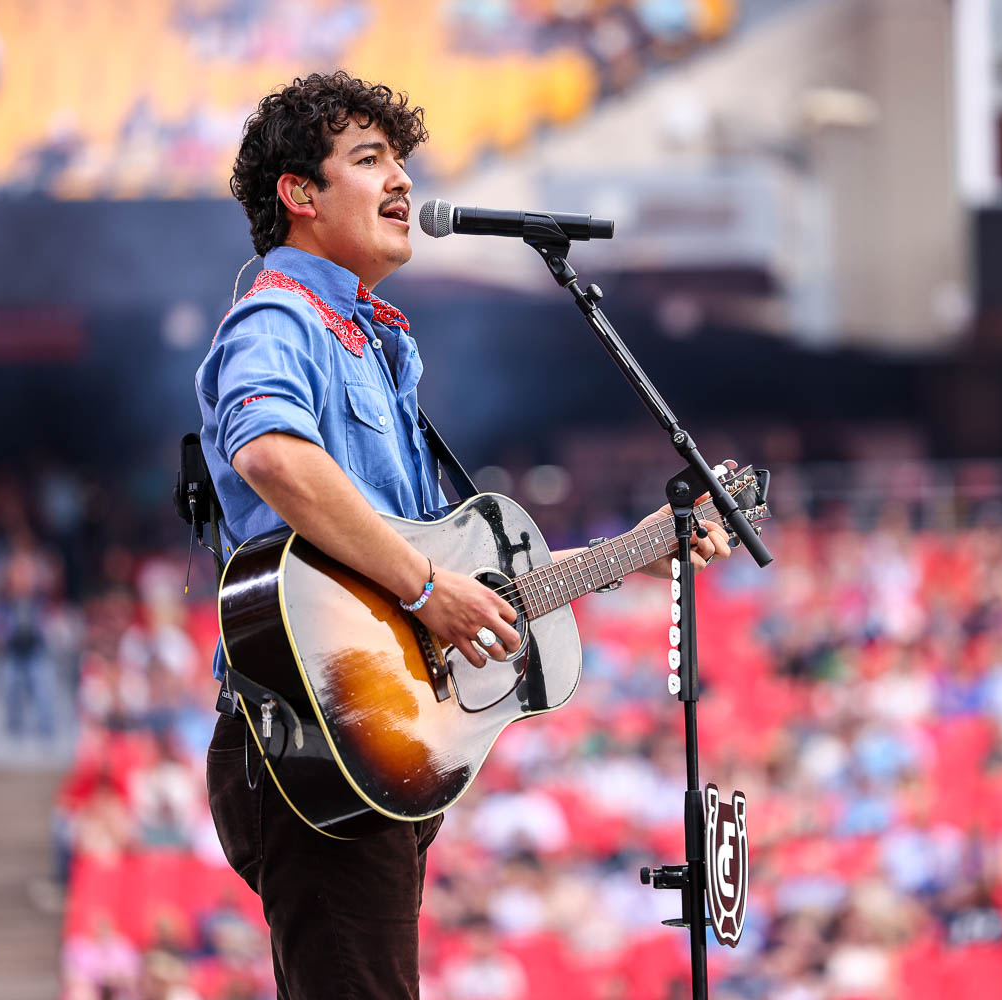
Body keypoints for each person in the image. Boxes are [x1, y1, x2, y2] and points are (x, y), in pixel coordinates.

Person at [193, 71, 733, 1000]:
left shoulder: (375, 343)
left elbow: (458, 577)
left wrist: (640, 549)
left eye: (402, 160)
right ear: (301, 195)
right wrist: (423, 589)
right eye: (370, 161)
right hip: (313, 735)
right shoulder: (280, 315)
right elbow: (273, 456)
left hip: (375, 741)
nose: (402, 180)